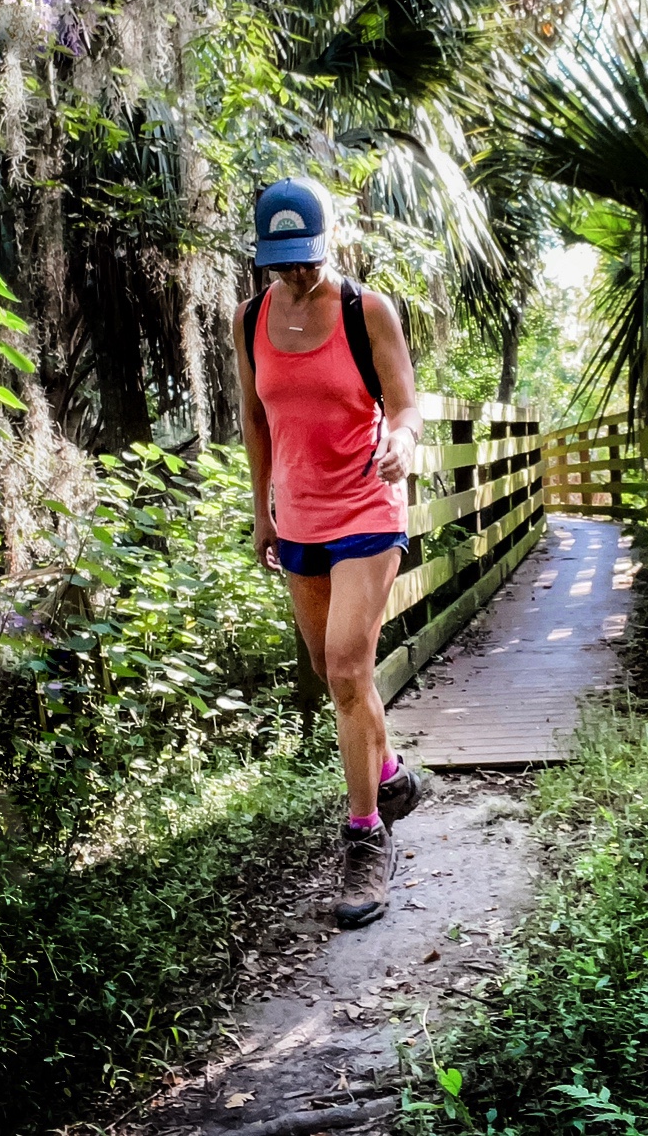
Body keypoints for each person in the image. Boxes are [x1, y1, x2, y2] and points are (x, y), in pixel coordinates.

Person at [234, 177, 424, 928]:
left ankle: (365, 839)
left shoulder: (364, 309)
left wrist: (403, 442)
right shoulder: (247, 319)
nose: (296, 274)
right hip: (301, 518)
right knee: (331, 669)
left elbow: (405, 400)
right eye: (281, 262)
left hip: (369, 506)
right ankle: (387, 772)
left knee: (347, 664)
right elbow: (254, 418)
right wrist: (262, 513)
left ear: (327, 241)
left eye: (305, 259)